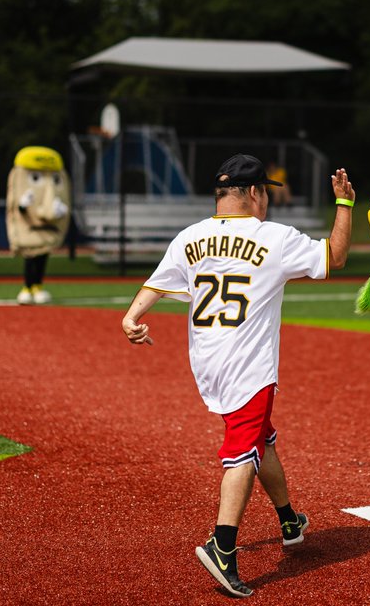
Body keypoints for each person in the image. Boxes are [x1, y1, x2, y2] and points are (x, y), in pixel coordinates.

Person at [120, 154, 354, 598]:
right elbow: (335, 257)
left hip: (207, 361)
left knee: (260, 437)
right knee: (242, 450)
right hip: (248, 364)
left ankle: (288, 519)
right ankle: (222, 545)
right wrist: (344, 205)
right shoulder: (275, 238)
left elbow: (158, 282)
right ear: (252, 193)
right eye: (264, 191)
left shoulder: (190, 237)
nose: (266, 200)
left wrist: (132, 317)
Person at [5, 146, 71, 305]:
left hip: (46, 230)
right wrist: (23, 205)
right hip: (31, 229)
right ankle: (28, 287)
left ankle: (37, 287)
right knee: (30, 258)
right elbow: (18, 208)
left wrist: (59, 211)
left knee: (42, 259)